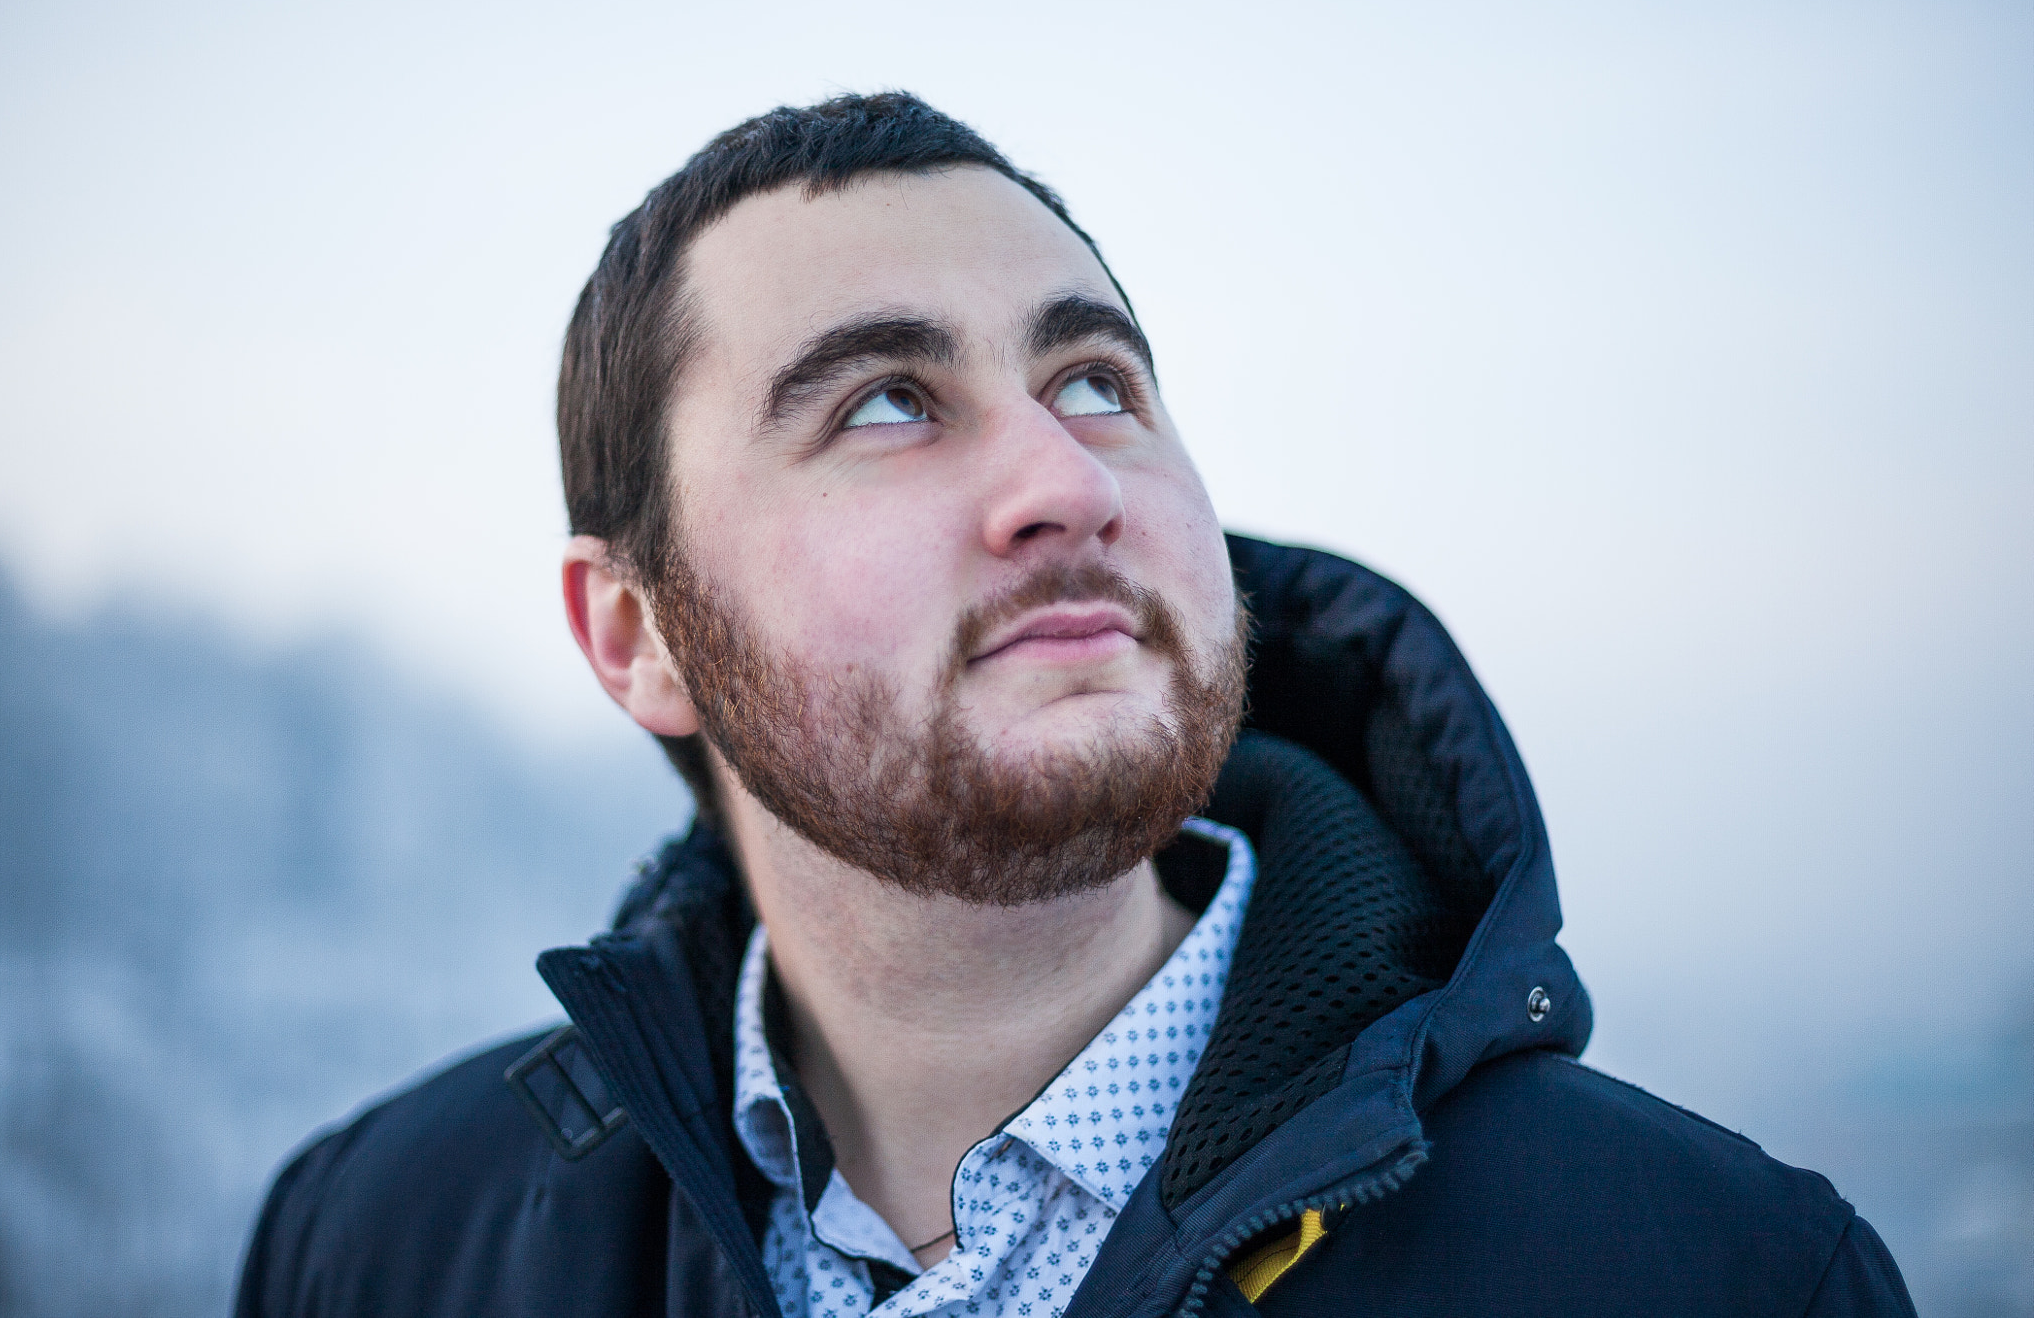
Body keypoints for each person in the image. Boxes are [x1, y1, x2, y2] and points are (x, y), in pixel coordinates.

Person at [235, 92, 1915, 1317]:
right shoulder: (378, 1243)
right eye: (888, 404)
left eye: (1094, 383)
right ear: (637, 631)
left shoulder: (1718, 1274)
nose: (1062, 480)